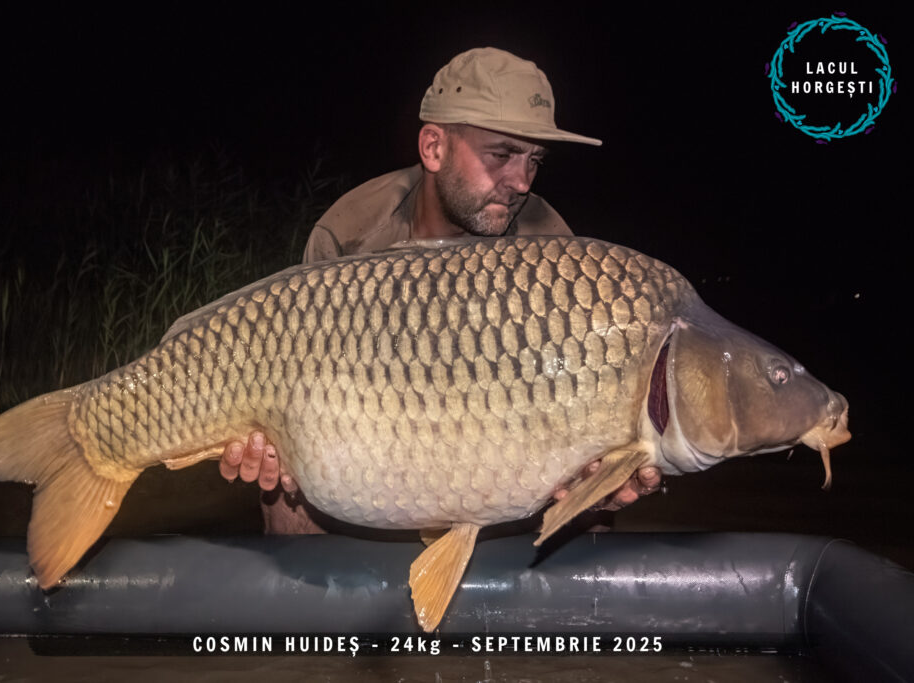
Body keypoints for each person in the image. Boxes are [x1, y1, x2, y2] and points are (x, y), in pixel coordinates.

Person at [219, 47, 661, 533]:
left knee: (592, 512)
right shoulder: (350, 234)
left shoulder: (549, 245)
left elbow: (568, 376)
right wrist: (273, 441)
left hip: (500, 450)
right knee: (286, 494)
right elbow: (293, 374)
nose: (521, 182)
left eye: (534, 160)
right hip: (375, 442)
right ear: (433, 148)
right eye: (501, 154)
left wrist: (606, 463)